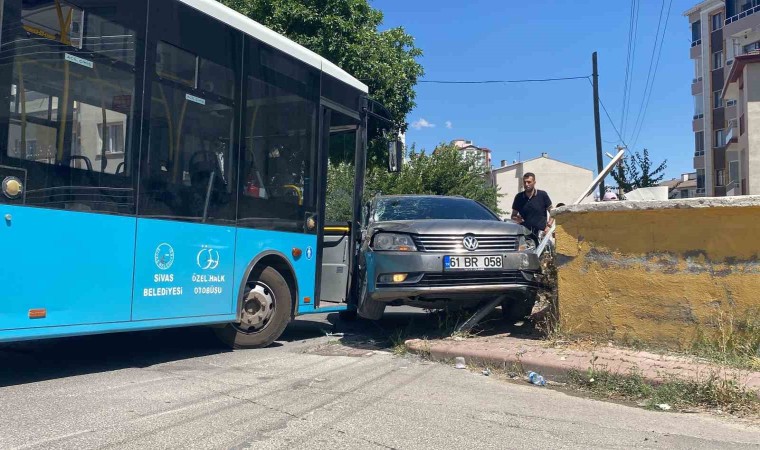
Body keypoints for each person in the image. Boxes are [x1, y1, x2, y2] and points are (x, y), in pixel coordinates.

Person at [511, 172, 553, 241]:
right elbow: (513, 215)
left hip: (542, 235)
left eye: (529, 182)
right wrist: (516, 219)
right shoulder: (519, 197)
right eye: (524, 182)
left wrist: (548, 226)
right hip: (525, 236)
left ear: (534, 182)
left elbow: (553, 212)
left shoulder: (542, 195)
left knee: (544, 252)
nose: (526, 184)